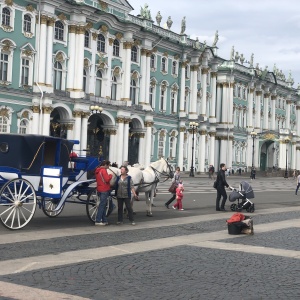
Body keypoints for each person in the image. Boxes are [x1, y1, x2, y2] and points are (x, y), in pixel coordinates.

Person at [95, 160, 112, 226]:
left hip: (99, 188)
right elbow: (107, 180)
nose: (108, 167)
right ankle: (98, 220)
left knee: (103, 205)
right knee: (102, 205)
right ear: (106, 165)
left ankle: (104, 220)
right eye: (108, 165)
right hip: (104, 189)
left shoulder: (97, 170)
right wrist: (110, 176)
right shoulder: (103, 170)